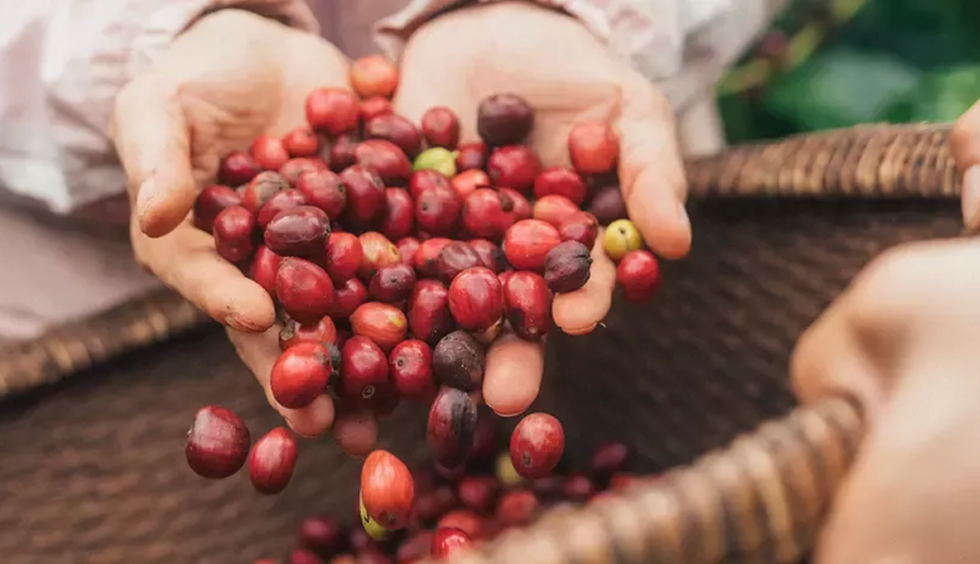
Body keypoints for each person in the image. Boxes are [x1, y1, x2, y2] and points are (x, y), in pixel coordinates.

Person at [3, 1, 980, 562]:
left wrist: (556, 10)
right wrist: (163, 31)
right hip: (78, 286)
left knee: (579, 445)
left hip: (590, 228)